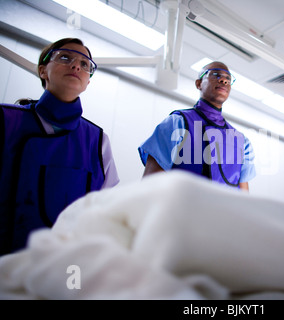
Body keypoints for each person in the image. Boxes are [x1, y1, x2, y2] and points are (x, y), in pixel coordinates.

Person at [0, 38, 119, 255]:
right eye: (65, 57)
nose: (76, 66)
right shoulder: (6, 119)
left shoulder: (98, 140)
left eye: (85, 65)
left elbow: (103, 211)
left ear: (87, 82)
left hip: (63, 266)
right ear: (43, 70)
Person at [138, 61, 256, 190]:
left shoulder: (241, 141)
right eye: (215, 74)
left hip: (227, 210)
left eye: (228, 78)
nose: (224, 80)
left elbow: (243, 196)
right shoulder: (177, 123)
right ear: (198, 83)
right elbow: (150, 186)